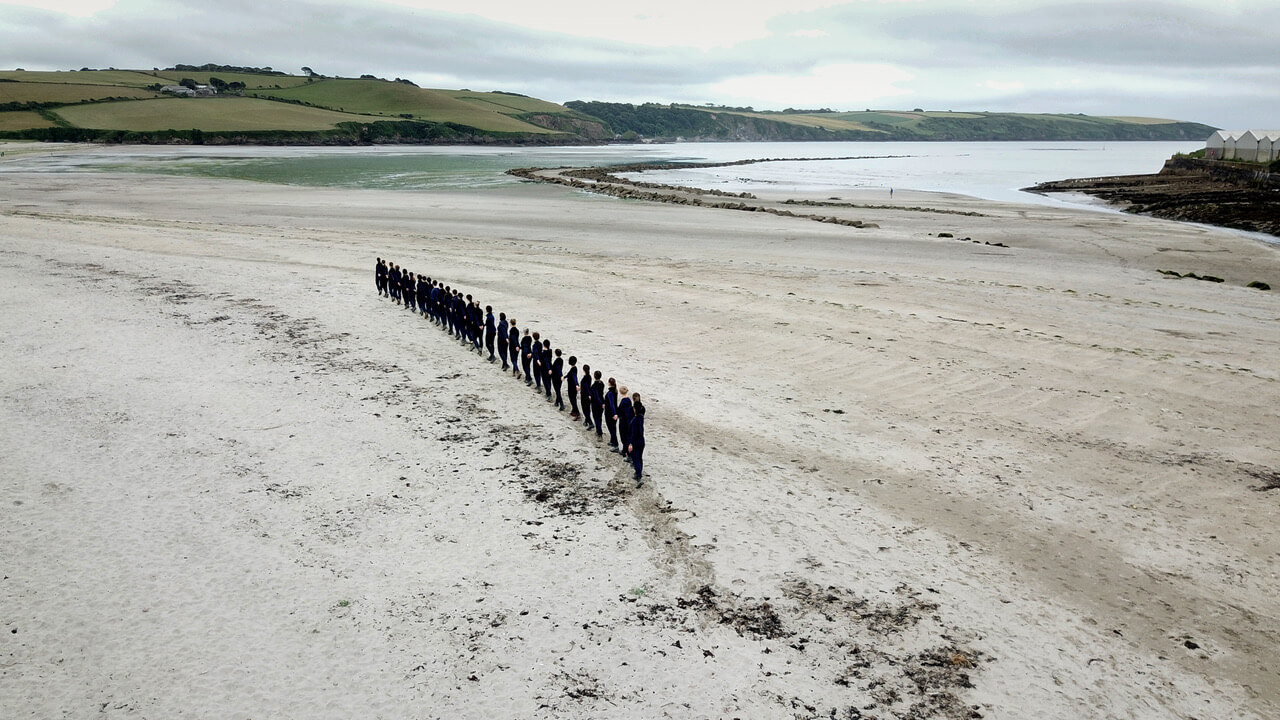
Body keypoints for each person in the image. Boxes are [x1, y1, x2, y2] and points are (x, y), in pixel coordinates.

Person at [629, 395, 646, 486]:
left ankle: (638, 475)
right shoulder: (641, 417)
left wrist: (631, 443)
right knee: (640, 457)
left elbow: (634, 433)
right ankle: (639, 473)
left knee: (636, 458)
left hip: (636, 441)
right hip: (642, 440)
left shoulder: (635, 420)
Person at [616, 386, 634, 459]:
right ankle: (624, 450)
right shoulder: (629, 400)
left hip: (624, 421)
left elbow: (626, 413)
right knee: (625, 436)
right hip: (626, 420)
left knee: (624, 436)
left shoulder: (624, 402)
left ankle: (626, 451)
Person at [604, 378, 619, 448]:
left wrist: (614, 413)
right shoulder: (615, 391)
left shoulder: (610, 393)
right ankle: (612, 441)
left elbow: (611, 404)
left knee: (611, 428)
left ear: (609, 383)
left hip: (610, 413)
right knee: (613, 427)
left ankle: (615, 444)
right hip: (614, 411)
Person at [590, 371, 605, 441]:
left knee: (596, 418)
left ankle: (599, 433)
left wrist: (600, 403)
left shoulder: (594, 386)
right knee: (600, 417)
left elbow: (596, 396)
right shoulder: (602, 384)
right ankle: (598, 430)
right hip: (602, 401)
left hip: (596, 404)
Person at [580, 364, 593, 430]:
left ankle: (590, 422)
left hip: (584, 395)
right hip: (588, 394)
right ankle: (586, 421)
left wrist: (588, 394)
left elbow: (586, 387)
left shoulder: (585, 378)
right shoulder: (589, 377)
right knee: (587, 408)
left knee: (585, 409)